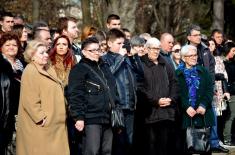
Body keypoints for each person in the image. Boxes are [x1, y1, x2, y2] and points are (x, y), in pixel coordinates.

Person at [16, 40, 70, 155]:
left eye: (46, 52)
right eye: (41, 53)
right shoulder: (30, 71)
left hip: (54, 125)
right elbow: (29, 99)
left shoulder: (48, 69)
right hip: (41, 127)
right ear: (32, 56)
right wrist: (41, 118)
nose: (46, 55)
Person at [67, 37, 118, 155]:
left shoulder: (105, 67)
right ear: (84, 52)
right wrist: (78, 117)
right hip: (91, 118)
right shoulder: (78, 70)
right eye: (92, 50)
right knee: (92, 151)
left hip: (108, 118)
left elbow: (113, 90)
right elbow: (75, 94)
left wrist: (117, 110)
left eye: (98, 50)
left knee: (107, 151)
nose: (96, 53)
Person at [103, 28, 143, 155]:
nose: (122, 46)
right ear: (109, 43)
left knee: (129, 143)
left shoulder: (126, 59)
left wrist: (134, 56)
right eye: (118, 43)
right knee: (117, 143)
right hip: (117, 107)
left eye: (123, 43)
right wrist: (120, 57)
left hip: (130, 105)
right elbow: (108, 76)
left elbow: (141, 74)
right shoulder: (105, 59)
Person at [140, 37, 179, 155]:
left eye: (158, 48)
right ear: (146, 49)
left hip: (166, 111)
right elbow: (140, 87)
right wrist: (155, 101)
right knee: (150, 144)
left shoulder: (165, 63)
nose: (156, 51)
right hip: (149, 112)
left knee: (164, 144)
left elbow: (174, 82)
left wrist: (171, 99)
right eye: (153, 49)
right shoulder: (141, 64)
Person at [176, 45, 214, 155]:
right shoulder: (178, 74)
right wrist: (186, 106)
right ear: (183, 58)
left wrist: (203, 104)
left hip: (203, 115)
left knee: (204, 147)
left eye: (195, 55)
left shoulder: (204, 71)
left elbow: (209, 90)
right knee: (188, 148)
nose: (194, 57)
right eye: (190, 55)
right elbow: (177, 93)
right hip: (186, 115)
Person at [0, 33, 24, 155]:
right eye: (7, 44)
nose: (11, 47)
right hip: (5, 115)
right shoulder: (2, 66)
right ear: (1, 47)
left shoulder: (23, 66)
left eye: (14, 45)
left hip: (21, 114)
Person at [223, 42, 235, 146]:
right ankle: (227, 138)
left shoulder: (232, 62)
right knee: (231, 115)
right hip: (230, 92)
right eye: (233, 51)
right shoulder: (224, 63)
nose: (234, 53)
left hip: (233, 91)